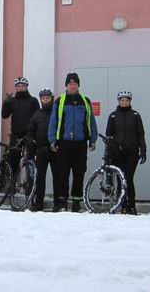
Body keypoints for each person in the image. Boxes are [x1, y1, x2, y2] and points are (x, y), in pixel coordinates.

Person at [47, 72, 98, 213]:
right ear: (66, 85)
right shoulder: (59, 101)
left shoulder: (85, 101)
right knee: (63, 174)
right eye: (70, 84)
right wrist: (52, 140)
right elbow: (53, 122)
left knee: (79, 173)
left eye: (75, 84)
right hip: (64, 143)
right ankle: (62, 203)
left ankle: (76, 204)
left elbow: (91, 121)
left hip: (81, 144)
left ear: (78, 85)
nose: (73, 86)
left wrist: (93, 139)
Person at [105, 90, 146, 215]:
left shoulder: (135, 115)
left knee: (128, 178)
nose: (124, 102)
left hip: (132, 152)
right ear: (118, 101)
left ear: (130, 101)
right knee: (119, 177)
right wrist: (111, 150)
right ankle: (122, 205)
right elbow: (109, 135)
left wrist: (143, 150)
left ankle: (131, 205)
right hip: (117, 153)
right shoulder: (113, 116)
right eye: (122, 100)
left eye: (126, 100)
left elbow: (141, 134)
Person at [25, 88, 55, 211]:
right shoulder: (37, 114)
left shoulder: (56, 112)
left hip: (55, 150)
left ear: (51, 99)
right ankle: (39, 203)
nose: (45, 100)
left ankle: (58, 203)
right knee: (40, 177)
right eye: (43, 98)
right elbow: (30, 130)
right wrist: (31, 141)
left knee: (58, 177)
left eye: (47, 98)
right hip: (41, 150)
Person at [2, 76, 40, 172]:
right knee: (13, 160)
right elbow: (5, 115)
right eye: (18, 86)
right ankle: (12, 184)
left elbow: (38, 118)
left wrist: (36, 133)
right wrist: (6, 104)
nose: (20, 88)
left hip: (29, 134)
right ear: (15, 87)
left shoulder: (33, 100)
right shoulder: (12, 101)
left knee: (30, 160)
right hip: (16, 134)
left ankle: (30, 183)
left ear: (26, 86)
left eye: (22, 85)